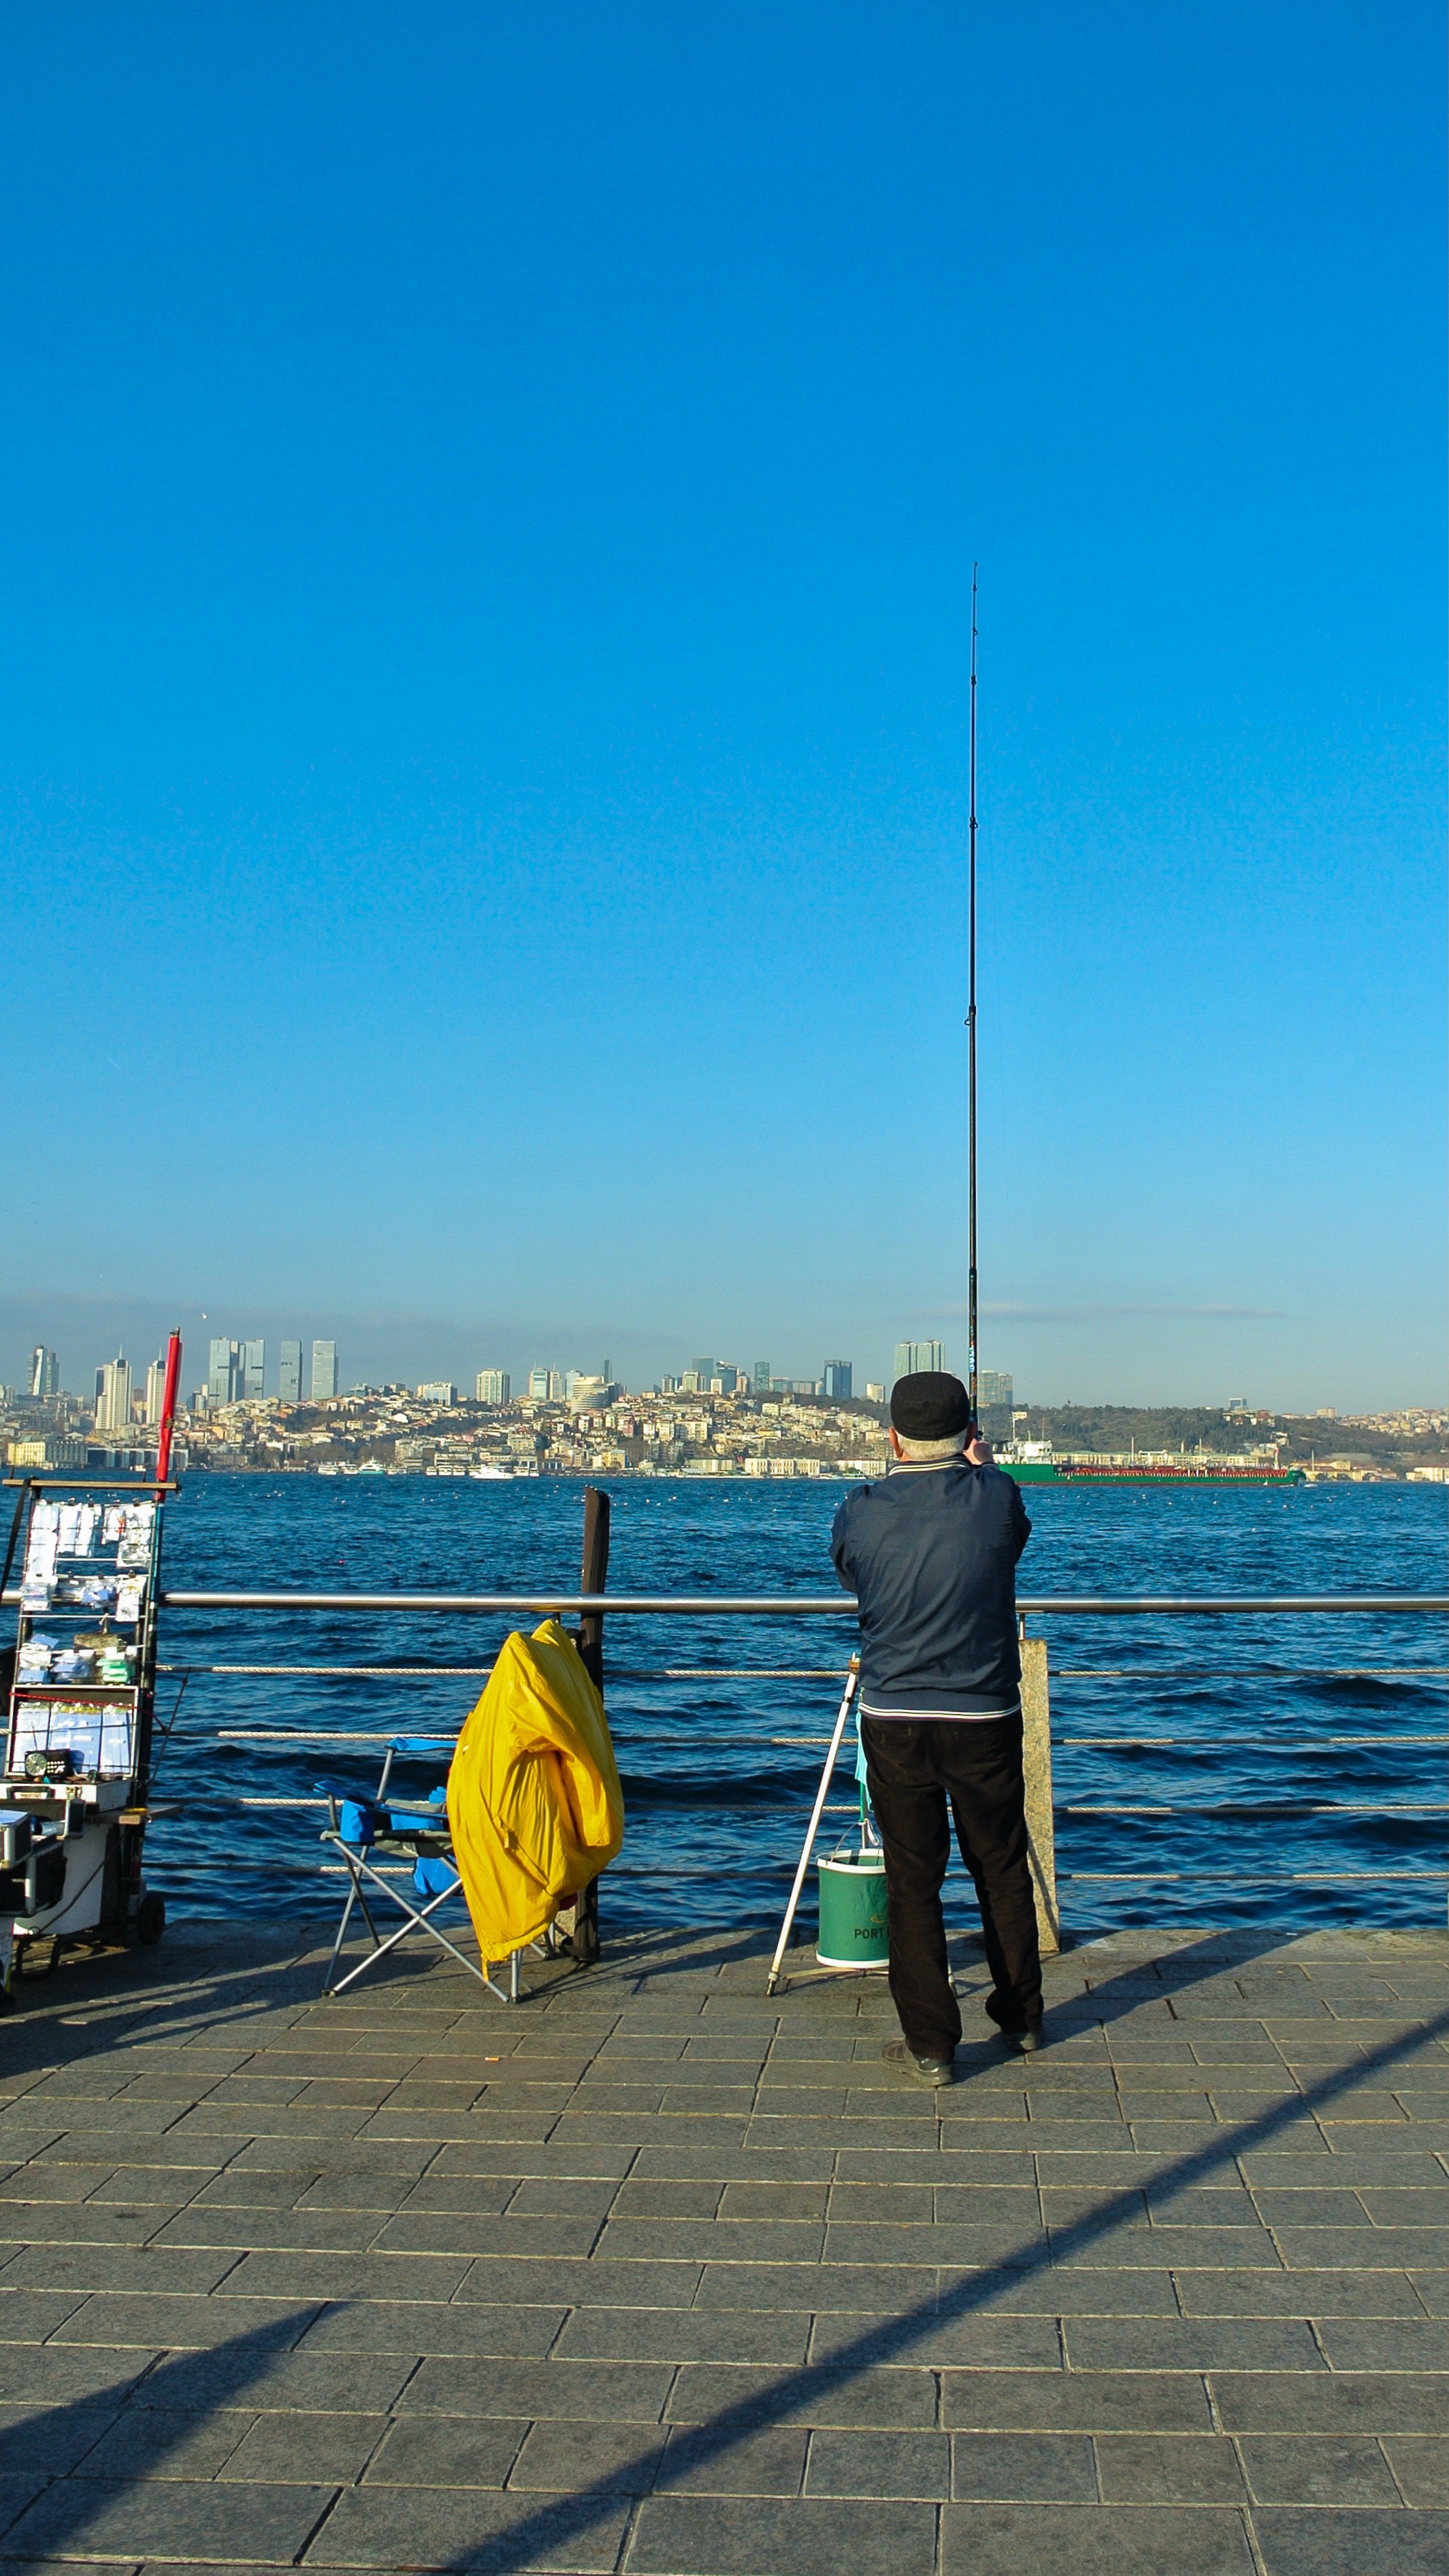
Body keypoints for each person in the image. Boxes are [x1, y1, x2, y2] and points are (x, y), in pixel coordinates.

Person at [830, 1369, 1041, 2085]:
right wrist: (981, 1471)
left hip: (893, 1716)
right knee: (1000, 1866)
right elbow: (1009, 1543)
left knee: (912, 1879)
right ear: (970, 1436)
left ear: (892, 1437)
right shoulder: (999, 1497)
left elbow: (850, 1573)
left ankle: (930, 2045)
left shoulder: (859, 1509)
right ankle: (1020, 2017)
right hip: (981, 1713)